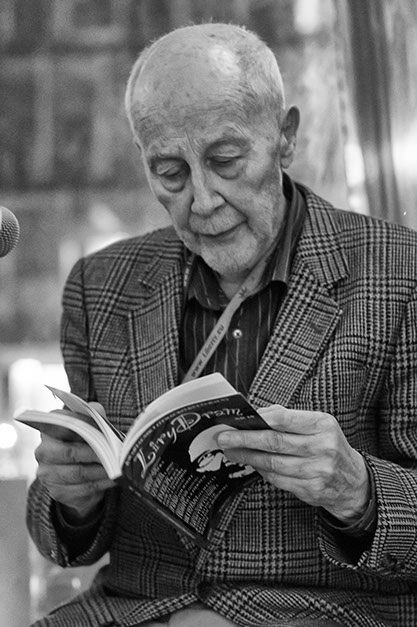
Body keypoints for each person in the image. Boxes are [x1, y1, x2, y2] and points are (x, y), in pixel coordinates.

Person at [26, 22, 417, 627]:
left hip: (319, 612)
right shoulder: (98, 285)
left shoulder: (400, 272)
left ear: (286, 137)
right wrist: (70, 499)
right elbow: (63, 538)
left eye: (226, 161)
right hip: (135, 611)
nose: (203, 201)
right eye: (170, 172)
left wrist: (357, 490)